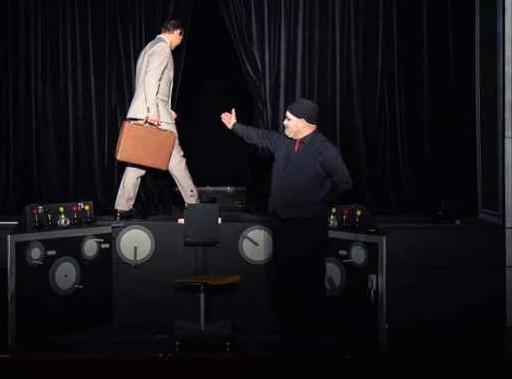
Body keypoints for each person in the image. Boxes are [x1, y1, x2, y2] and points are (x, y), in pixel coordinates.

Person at [219, 98, 352, 348]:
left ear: (304, 123)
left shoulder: (326, 151)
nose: (284, 122)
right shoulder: (283, 141)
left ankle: (312, 338)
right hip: (281, 223)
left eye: (289, 119)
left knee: (309, 281)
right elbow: (259, 136)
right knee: (285, 280)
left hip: (309, 226)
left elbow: (344, 183)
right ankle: (288, 337)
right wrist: (234, 126)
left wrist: (318, 199)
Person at [114, 20, 199, 220]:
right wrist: (154, 111)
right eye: (181, 37)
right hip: (154, 115)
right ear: (176, 32)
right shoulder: (162, 48)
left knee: (137, 161)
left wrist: (165, 107)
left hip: (145, 111)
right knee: (176, 159)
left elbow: (149, 83)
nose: (180, 42)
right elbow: (151, 80)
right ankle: (195, 205)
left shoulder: (149, 47)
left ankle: (123, 207)